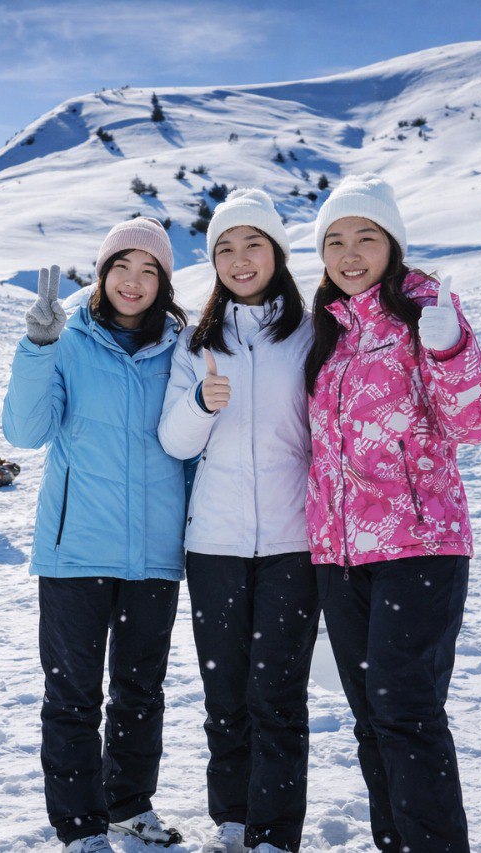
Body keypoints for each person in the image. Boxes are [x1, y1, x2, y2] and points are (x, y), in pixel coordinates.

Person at [305, 174, 481, 852]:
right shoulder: (327, 331)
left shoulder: (427, 312)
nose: (350, 253)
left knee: (405, 709)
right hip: (340, 554)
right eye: (335, 240)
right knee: (370, 715)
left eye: (365, 237)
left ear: (392, 244)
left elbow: (475, 423)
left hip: (419, 546)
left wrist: (448, 349)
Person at [3, 217, 188, 853]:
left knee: (140, 693)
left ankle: (128, 807)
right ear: (103, 274)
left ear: (163, 282)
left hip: (154, 555)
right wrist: (38, 347)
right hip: (75, 551)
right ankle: (80, 826)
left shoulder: (182, 348)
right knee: (73, 696)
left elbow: (192, 445)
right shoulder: (69, 341)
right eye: (121, 267)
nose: (133, 282)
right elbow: (25, 432)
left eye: (148, 270)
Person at [158, 189, 316, 853]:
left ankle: (275, 832)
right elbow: (174, 441)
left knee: (276, 693)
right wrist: (201, 402)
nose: (239, 258)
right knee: (225, 692)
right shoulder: (199, 341)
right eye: (224, 247)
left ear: (276, 252)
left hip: (293, 540)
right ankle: (232, 818)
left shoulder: (310, 333)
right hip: (215, 543)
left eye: (252, 243)